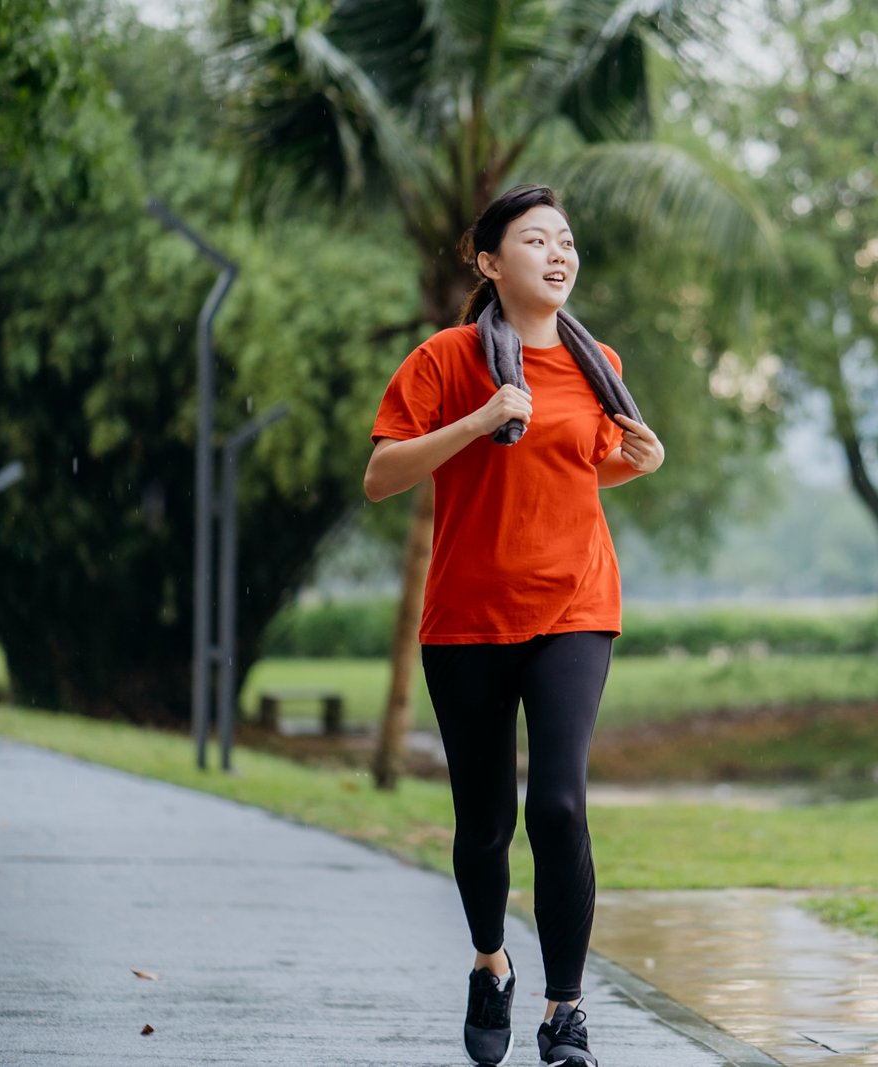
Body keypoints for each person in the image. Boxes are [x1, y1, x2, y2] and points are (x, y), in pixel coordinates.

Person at [364, 184, 664, 1067]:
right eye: (537, 241)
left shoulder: (596, 360)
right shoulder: (447, 360)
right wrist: (484, 416)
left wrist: (630, 463)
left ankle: (564, 1008)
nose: (559, 254)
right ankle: (491, 960)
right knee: (485, 820)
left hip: (575, 604)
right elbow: (382, 476)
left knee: (560, 805)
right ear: (492, 263)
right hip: (467, 616)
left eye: (566, 241)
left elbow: (573, 470)